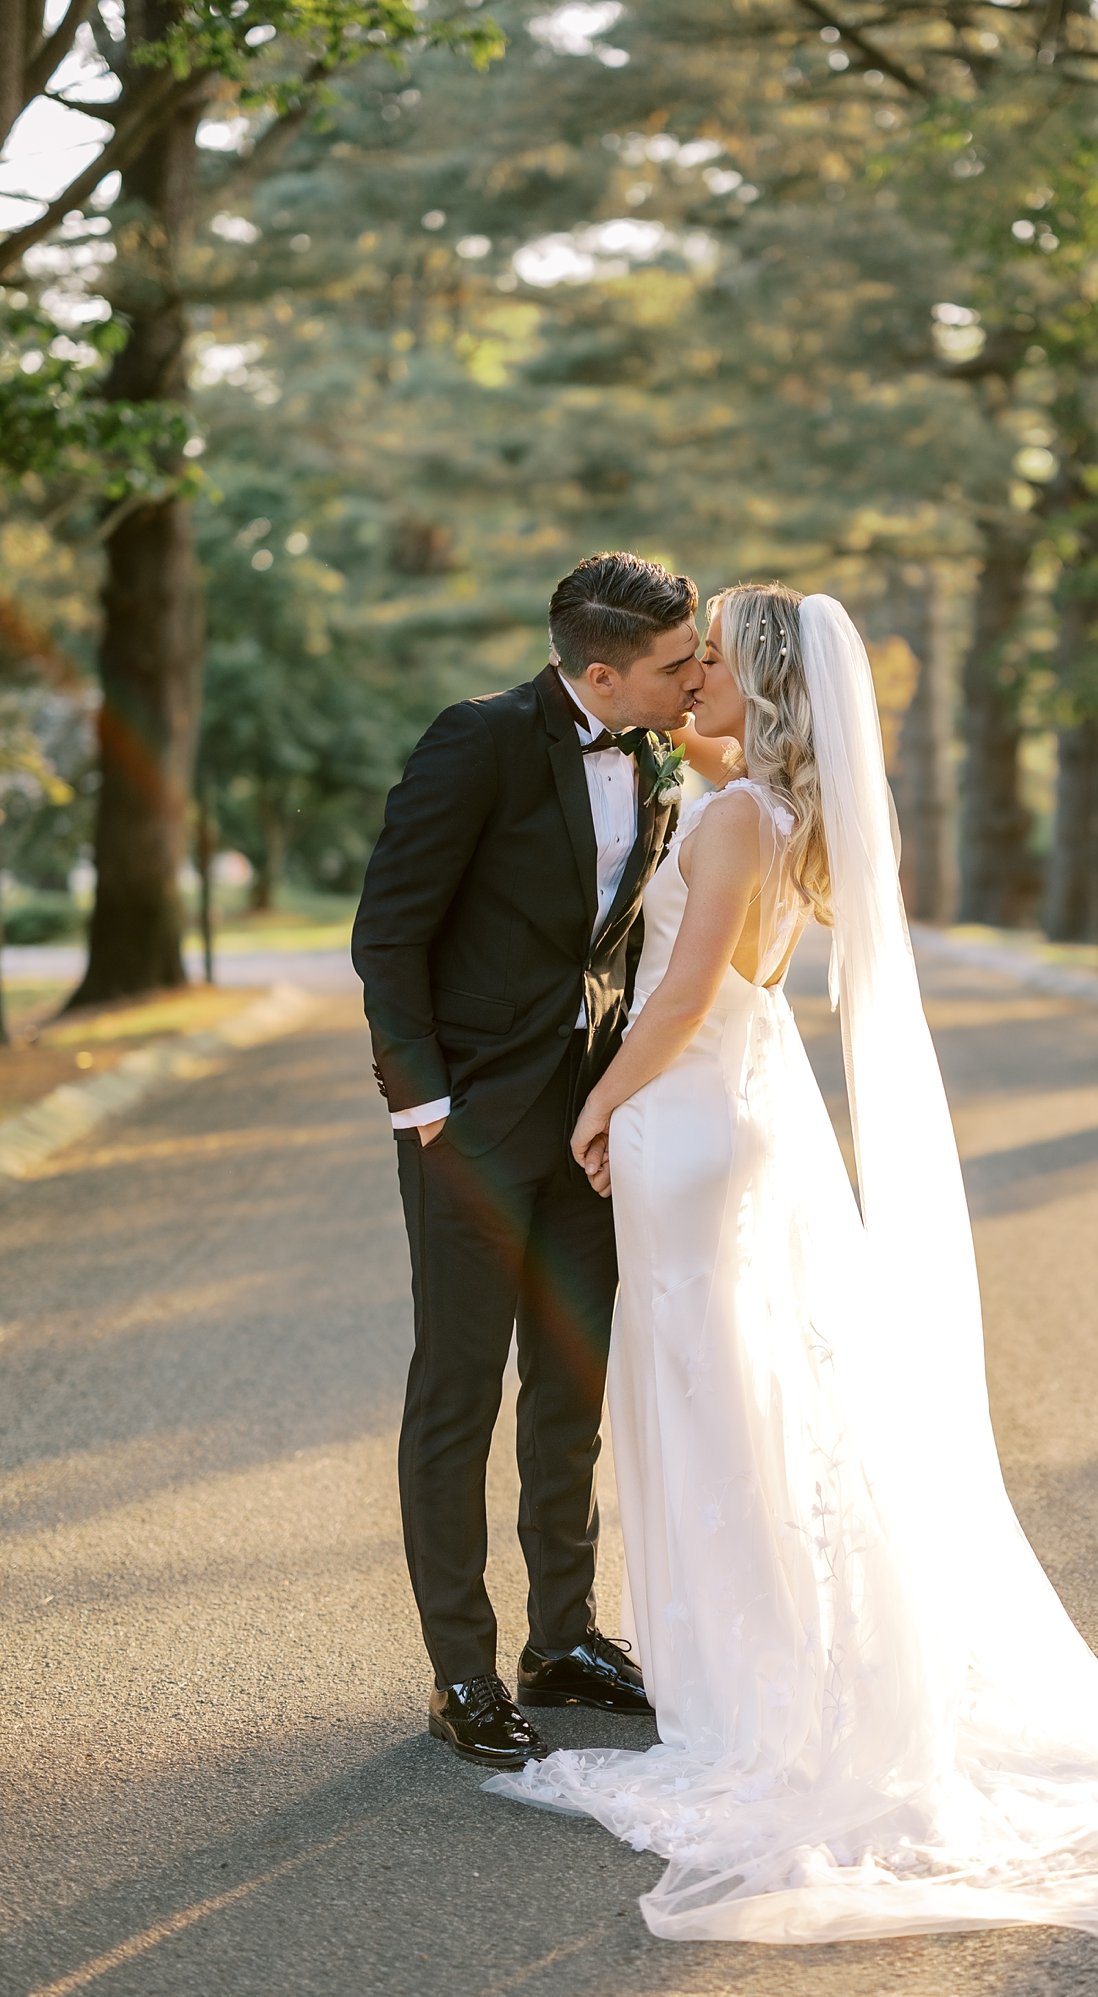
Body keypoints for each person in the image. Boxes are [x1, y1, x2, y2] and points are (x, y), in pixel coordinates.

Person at [484, 585, 1098, 1943]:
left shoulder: (744, 814)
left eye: (710, 660)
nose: (690, 674)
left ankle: (749, 1694)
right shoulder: (771, 806)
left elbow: (688, 988)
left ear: (758, 687)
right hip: (735, 1106)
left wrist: (597, 1100)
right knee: (739, 1389)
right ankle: (757, 1667)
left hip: (688, 1107)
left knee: (711, 1393)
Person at [351, 551, 705, 1768]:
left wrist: (616, 1097)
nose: (695, 675)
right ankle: (463, 1667)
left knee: (571, 1388)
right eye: (675, 663)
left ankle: (566, 1636)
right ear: (600, 669)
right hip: (471, 1127)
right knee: (458, 1394)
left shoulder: (653, 747)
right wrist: (422, 1105)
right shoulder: (479, 740)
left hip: (592, 1122)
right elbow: (387, 928)